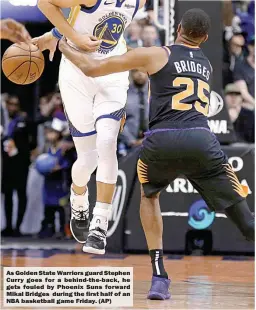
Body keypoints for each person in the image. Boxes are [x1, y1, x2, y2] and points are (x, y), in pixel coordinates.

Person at [59, 8, 255, 299]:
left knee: (150, 195)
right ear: (204, 38)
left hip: (161, 141)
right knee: (248, 224)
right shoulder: (206, 64)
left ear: (177, 29)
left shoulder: (156, 54)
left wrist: (63, 45)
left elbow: (91, 68)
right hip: (202, 141)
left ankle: (159, 277)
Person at [34, 0, 146, 254]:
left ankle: (99, 223)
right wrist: (67, 35)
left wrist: (58, 34)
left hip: (112, 73)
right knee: (88, 158)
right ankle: (79, 194)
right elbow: (45, 3)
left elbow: (107, 28)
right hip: (76, 73)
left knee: (107, 143)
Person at [1, 95, 36, 237]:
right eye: (10, 104)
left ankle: (18, 227)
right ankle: (8, 225)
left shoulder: (23, 120)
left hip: (21, 163)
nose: (12, 107)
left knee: (21, 193)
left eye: (15, 104)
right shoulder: (4, 121)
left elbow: (33, 142)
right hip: (7, 163)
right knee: (7, 194)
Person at [119, 69, 149, 151]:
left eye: (143, 70)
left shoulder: (156, 93)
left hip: (153, 143)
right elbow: (119, 120)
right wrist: (131, 141)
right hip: (128, 145)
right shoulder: (123, 94)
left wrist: (151, 139)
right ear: (130, 73)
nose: (139, 74)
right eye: (135, 71)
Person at [233, 36, 255, 109]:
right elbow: (243, 92)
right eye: (253, 45)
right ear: (250, 47)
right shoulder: (240, 66)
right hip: (249, 106)